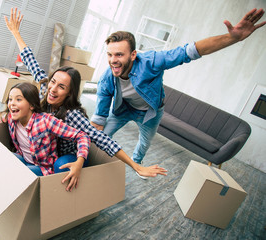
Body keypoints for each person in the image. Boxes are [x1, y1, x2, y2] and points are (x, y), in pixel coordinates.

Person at [0, 7, 167, 180]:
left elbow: (100, 138)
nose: (53, 89)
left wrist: (135, 165)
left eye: (61, 87)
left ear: (69, 93)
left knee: (62, 166)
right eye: (53, 82)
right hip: (41, 151)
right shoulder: (45, 90)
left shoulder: (72, 115)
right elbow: (32, 62)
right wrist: (16, 33)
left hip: (63, 156)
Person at [90, 8, 266, 170]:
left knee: (144, 143)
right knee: (101, 134)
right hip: (124, 109)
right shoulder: (107, 78)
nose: (113, 60)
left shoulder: (151, 61)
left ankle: (138, 165)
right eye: (110, 54)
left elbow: (189, 51)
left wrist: (231, 38)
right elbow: (98, 120)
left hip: (150, 113)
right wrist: (84, 151)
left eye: (119, 54)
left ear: (133, 55)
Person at [0, 82, 90, 191]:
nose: (12, 103)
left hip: (43, 168)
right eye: (10, 99)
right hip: (23, 159)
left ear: (31, 105)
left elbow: (82, 136)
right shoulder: (12, 118)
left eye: (18, 99)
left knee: (19, 175)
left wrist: (79, 162)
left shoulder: (45, 121)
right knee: (2, 158)